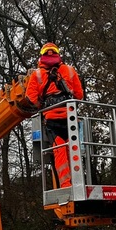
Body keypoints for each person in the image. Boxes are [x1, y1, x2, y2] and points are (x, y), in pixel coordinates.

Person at [25, 42, 84, 188]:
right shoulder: (70, 70)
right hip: (70, 117)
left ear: (42, 55)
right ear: (58, 54)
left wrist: (42, 106)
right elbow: (79, 95)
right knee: (74, 149)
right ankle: (79, 183)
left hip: (52, 118)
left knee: (59, 151)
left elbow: (31, 98)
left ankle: (66, 185)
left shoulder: (37, 75)